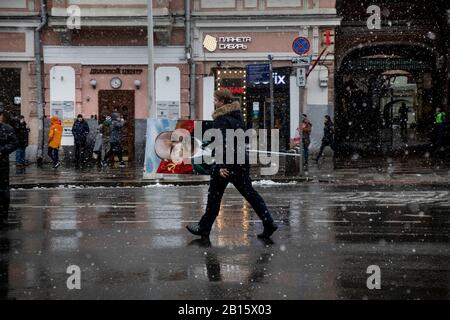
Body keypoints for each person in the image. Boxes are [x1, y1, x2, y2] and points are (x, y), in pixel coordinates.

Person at [186, 89, 278, 239]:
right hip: (241, 161)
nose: (214, 104)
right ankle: (268, 222)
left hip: (226, 163)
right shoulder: (237, 117)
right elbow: (242, 139)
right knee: (250, 194)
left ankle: (204, 227)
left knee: (214, 197)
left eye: (215, 100)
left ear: (222, 101)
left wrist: (222, 165)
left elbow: (223, 141)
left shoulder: (221, 118)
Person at [0, 105, 19, 226]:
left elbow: (15, 143)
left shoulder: (7, 129)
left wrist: (2, 151)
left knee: (3, 192)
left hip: (2, 165)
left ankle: (3, 215)